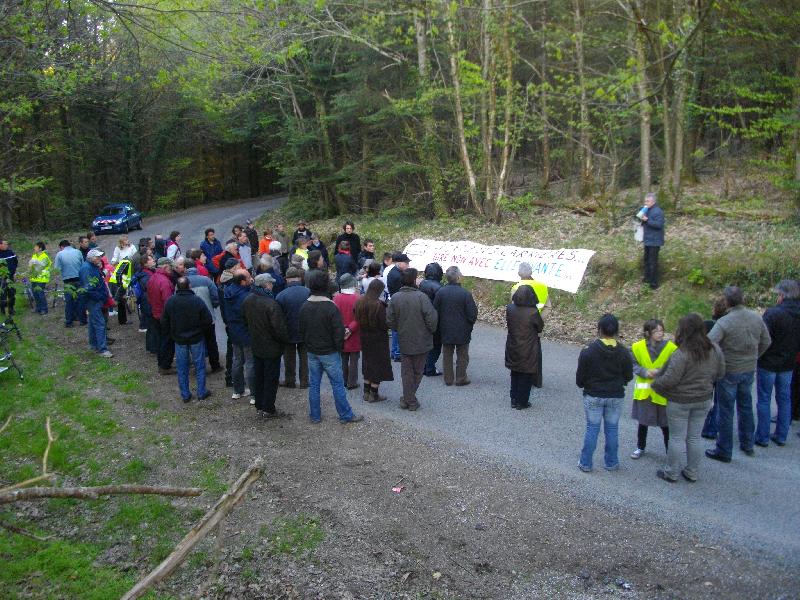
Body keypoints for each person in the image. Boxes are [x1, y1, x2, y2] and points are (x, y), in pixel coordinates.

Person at [651, 313, 725, 482]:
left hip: (680, 401)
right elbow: (721, 373)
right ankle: (692, 471)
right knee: (694, 437)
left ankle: (671, 472)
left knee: (676, 437)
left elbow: (670, 379)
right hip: (703, 399)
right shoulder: (714, 349)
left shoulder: (682, 353)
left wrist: (655, 384)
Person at [706, 286, 771, 463]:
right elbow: (766, 341)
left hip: (729, 369)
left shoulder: (725, 322)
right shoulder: (756, 317)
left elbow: (709, 343)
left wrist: (717, 361)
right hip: (748, 368)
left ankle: (724, 449)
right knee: (746, 406)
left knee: (726, 411)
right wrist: (754, 356)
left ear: (727, 302)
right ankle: (748, 443)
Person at [299, 269, 364, 423]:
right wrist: (338, 347)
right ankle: (345, 415)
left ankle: (315, 415)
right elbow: (338, 332)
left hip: (312, 351)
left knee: (314, 384)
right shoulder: (330, 307)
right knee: (337, 384)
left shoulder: (305, 306)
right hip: (329, 352)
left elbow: (301, 329)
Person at [575, 314, 633, 472]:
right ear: (616, 331)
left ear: (599, 330)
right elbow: (628, 376)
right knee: (612, 429)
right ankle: (611, 462)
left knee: (592, 429)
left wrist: (586, 385)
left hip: (593, 394)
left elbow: (580, 378)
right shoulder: (624, 352)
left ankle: (586, 463)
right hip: (615, 395)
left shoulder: (588, 351)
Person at [755, 280, 800, 447]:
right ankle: (781, 435)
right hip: (788, 363)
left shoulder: (773, 313)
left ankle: (762, 436)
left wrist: (758, 355)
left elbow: (762, 337)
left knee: (764, 399)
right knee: (785, 399)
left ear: (782, 295)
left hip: (768, 362)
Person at [386, 268, 438, 411]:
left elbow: (389, 320)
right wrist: (430, 331)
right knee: (418, 371)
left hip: (404, 339)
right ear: (414, 280)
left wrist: (399, 328)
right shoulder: (422, 297)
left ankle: (407, 398)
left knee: (407, 372)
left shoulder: (395, 298)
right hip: (422, 339)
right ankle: (411, 400)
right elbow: (432, 318)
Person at [242, 273, 290, 417]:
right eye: (270, 283)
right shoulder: (271, 304)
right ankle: (268, 408)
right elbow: (279, 328)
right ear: (266, 285)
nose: (272, 285)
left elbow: (244, 320)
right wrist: (285, 340)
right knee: (271, 378)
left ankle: (259, 404)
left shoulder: (248, 300)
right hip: (271, 347)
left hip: (256, 344)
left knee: (259, 376)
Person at [629, 319, 677, 459]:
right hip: (644, 392)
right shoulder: (637, 347)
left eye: (662, 330)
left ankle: (669, 452)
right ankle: (640, 447)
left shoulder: (671, 348)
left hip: (662, 393)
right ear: (648, 333)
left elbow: (675, 366)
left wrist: (660, 372)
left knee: (665, 424)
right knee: (643, 422)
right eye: (656, 331)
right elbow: (633, 363)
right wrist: (644, 372)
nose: (660, 333)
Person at [162, 277, 213, 403]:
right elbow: (207, 319)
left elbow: (164, 321)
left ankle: (185, 394)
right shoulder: (197, 300)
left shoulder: (171, 301)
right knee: (199, 366)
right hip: (196, 338)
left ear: (177, 287)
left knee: (182, 368)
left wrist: (172, 333)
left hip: (179, 339)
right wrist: (201, 330)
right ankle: (201, 391)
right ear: (189, 286)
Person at [434, 266, 478, 386]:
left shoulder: (441, 292)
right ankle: (461, 377)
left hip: (445, 328)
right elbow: (472, 313)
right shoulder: (465, 294)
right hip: (463, 329)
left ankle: (448, 379)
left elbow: (435, 310)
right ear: (458, 277)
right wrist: (469, 325)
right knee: (462, 355)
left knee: (447, 354)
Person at [505, 285, 545, 410]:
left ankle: (513, 399)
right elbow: (539, 327)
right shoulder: (533, 312)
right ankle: (522, 402)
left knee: (515, 372)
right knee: (526, 375)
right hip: (528, 346)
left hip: (513, 344)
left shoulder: (510, 308)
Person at [354, 279, 392, 402]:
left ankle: (366, 392)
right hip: (378, 339)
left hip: (364, 337)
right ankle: (374, 394)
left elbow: (356, 317)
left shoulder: (359, 302)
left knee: (367, 363)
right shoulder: (379, 305)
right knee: (378, 365)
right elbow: (384, 324)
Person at [185, 257, 222, 373]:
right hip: (208, 316)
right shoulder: (206, 280)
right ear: (196, 268)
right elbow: (215, 296)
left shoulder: (182, 282)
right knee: (211, 341)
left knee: (196, 343)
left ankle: (199, 367)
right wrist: (213, 306)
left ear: (185, 269)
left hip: (190, 319)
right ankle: (215, 365)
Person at [276, 267, 310, 388]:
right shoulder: (308, 292)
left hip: (288, 331)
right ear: (300, 278)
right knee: (304, 357)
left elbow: (278, 317)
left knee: (289, 357)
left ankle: (290, 381)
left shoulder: (280, 296)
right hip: (305, 330)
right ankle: (304, 381)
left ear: (286, 279)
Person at [225, 269, 255, 401]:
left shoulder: (227, 291)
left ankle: (237, 390)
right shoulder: (246, 296)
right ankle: (254, 393)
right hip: (246, 331)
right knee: (250, 363)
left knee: (237, 361)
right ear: (243, 281)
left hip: (234, 331)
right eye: (248, 277)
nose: (251, 278)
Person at [701, 297, 729, 439]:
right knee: (719, 400)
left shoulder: (709, 324)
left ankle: (707, 426)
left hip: (709, 366)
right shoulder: (731, 324)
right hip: (725, 365)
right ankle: (713, 427)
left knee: (707, 397)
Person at [79, 249, 113, 358]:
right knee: (100, 323)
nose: (100, 259)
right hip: (93, 300)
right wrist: (100, 296)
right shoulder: (86, 268)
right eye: (97, 257)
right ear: (91, 258)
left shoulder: (93, 266)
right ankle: (102, 349)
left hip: (96, 299)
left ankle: (93, 345)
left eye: (100, 257)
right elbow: (88, 288)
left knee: (93, 323)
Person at [147, 258, 177, 374]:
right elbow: (168, 301)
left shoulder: (153, 277)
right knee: (167, 341)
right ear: (165, 267)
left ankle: (162, 364)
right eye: (170, 267)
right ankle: (165, 366)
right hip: (164, 316)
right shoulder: (164, 281)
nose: (171, 270)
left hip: (155, 313)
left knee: (160, 340)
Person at [333, 273, 361, 390]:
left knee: (343, 358)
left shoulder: (336, 298)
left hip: (340, 332)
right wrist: (350, 328)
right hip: (355, 333)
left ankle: (344, 380)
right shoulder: (358, 298)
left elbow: (334, 316)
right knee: (354, 359)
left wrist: (343, 328)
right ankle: (352, 382)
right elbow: (359, 317)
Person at [419, 263, 444, 376]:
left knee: (425, 344)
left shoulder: (422, 284)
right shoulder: (439, 288)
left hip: (422, 317)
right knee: (436, 345)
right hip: (435, 319)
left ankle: (424, 366)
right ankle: (429, 368)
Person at [385, 252, 409, 361]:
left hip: (394, 301)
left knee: (396, 328)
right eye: (406, 263)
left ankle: (394, 351)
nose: (408, 265)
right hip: (398, 303)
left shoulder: (394, 272)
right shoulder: (397, 275)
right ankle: (397, 352)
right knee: (399, 328)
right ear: (399, 263)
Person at [55, 240, 84, 327]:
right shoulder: (78, 252)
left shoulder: (59, 254)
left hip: (68, 281)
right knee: (80, 300)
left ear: (61, 247)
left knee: (69, 301)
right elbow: (83, 265)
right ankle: (82, 320)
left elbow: (57, 269)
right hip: (79, 278)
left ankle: (69, 322)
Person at [640, 192, 665, 289]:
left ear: (653, 202)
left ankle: (654, 283)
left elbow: (659, 225)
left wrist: (647, 220)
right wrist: (642, 220)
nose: (646, 203)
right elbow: (645, 223)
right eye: (645, 201)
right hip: (648, 240)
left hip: (655, 241)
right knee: (646, 260)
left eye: (648, 201)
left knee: (653, 262)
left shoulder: (658, 211)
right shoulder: (646, 210)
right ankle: (647, 279)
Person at [132, 254, 155, 340]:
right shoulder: (146, 275)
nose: (153, 260)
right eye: (150, 259)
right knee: (149, 317)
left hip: (144, 298)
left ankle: (143, 326)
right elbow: (148, 287)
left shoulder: (142, 272)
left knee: (145, 314)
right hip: (146, 299)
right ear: (145, 263)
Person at [27, 241, 51, 315]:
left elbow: (41, 267)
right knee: (35, 294)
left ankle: (44, 309)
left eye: (36, 247)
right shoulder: (34, 255)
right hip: (34, 278)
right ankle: (38, 307)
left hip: (42, 278)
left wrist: (34, 263)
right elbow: (30, 265)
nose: (34, 248)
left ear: (40, 248)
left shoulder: (45, 257)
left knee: (40, 294)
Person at [0, 238, 18, 316]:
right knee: (3, 294)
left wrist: (14, 271)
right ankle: (3, 309)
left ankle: (11, 309)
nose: (7, 245)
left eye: (7, 244)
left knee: (12, 293)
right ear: (0, 245)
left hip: (11, 277)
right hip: (1, 278)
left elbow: (16, 262)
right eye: (5, 244)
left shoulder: (10, 252)